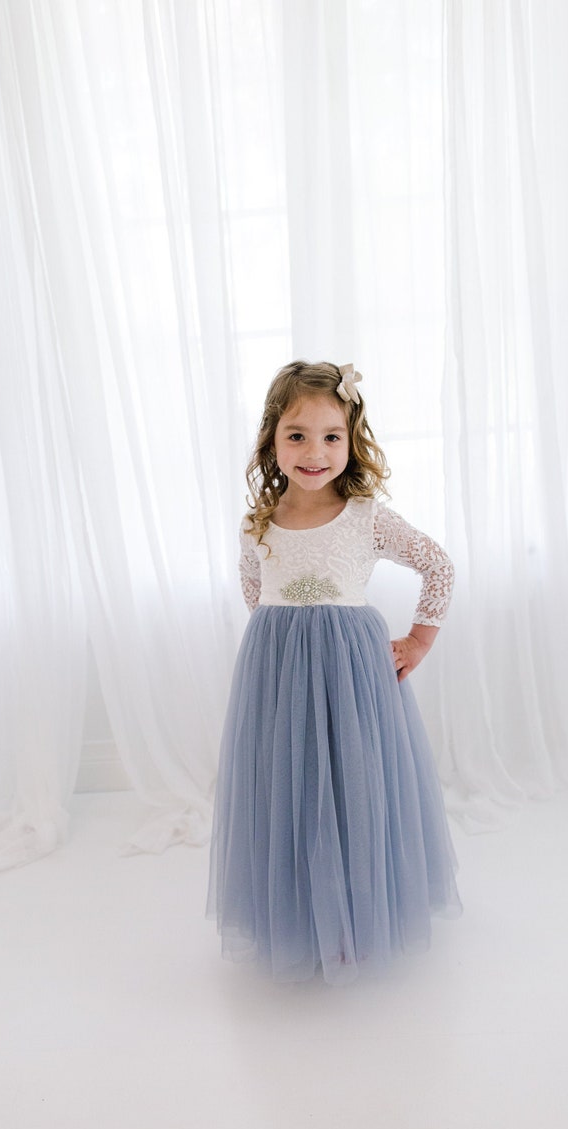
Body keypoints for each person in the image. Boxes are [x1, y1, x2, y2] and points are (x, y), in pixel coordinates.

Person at [207, 361, 461, 984]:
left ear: (352, 441)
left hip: (351, 675)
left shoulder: (366, 517)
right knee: (289, 790)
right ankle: (298, 914)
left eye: (331, 436)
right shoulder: (257, 524)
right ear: (271, 440)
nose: (314, 451)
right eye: (297, 434)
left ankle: (354, 917)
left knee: (353, 786)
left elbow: (439, 566)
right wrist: (282, 647)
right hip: (278, 676)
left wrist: (420, 641)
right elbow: (254, 588)